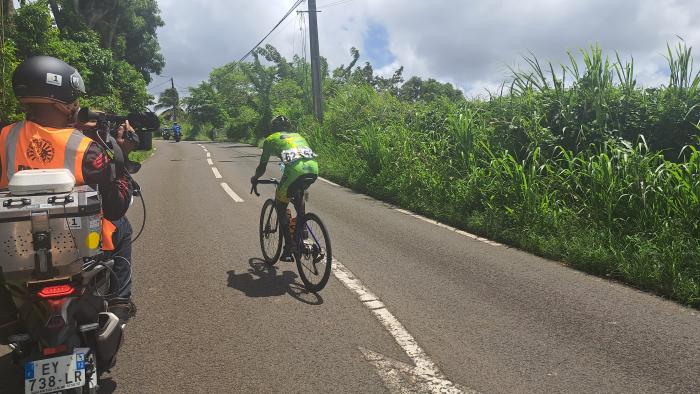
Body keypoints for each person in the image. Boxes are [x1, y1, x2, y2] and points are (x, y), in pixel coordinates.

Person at [0, 56, 137, 324]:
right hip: (78, 249)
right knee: (121, 226)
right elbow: (115, 206)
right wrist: (122, 155)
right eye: (73, 100)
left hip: (15, 249)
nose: (76, 106)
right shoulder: (88, 148)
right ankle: (120, 301)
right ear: (59, 102)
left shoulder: (5, 138)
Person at [251, 115, 319, 262]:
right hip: (313, 169)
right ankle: (303, 229)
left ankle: (288, 248)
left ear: (272, 128)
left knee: (281, 205)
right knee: (299, 198)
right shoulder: (298, 135)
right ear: (288, 128)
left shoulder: (270, 140)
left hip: (295, 171)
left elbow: (262, 167)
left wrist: (255, 178)